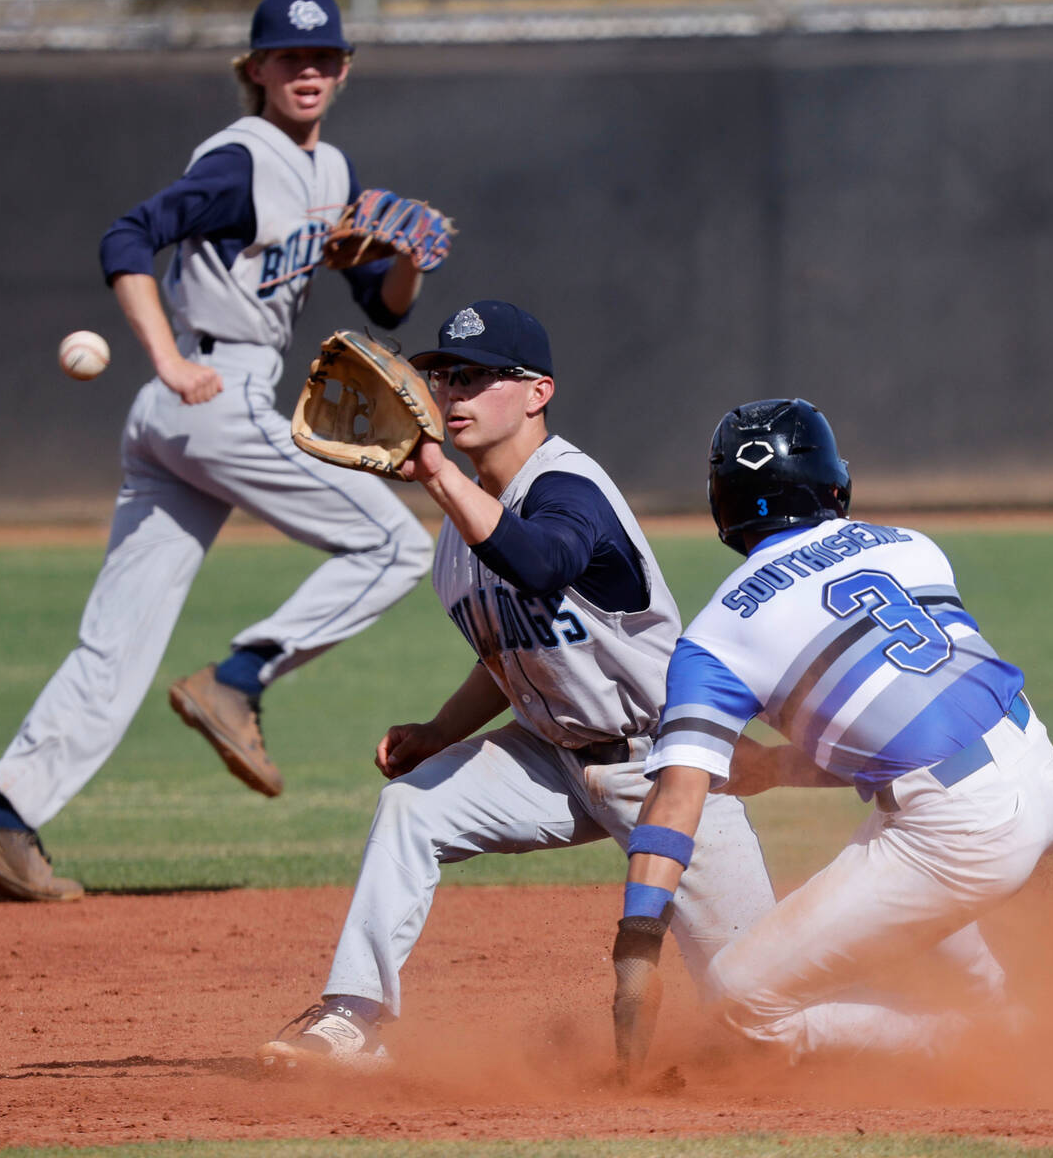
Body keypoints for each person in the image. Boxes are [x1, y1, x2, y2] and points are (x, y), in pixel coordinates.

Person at [0, 0, 437, 904]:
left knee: (117, 642)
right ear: (255, 69)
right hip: (219, 393)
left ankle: (5, 818)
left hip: (184, 419)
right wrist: (171, 358)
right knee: (395, 543)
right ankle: (239, 678)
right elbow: (128, 236)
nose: (307, 71)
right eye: (288, 58)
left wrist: (405, 256)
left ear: (343, 71)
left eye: (323, 58)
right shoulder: (243, 160)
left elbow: (378, 300)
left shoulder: (328, 172)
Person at [255, 300, 776, 1074]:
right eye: (445, 376)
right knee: (410, 806)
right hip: (552, 760)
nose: (454, 394)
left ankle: (935, 1032)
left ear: (538, 392)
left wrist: (432, 471)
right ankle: (350, 1020)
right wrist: (440, 732)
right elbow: (511, 653)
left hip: (666, 767)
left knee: (764, 1010)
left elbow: (539, 563)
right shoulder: (456, 539)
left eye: (480, 377)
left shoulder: (572, 490)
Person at [614, 397, 1053, 1062]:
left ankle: (986, 1044)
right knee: (897, 836)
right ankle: (993, 1004)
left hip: (957, 833)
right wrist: (773, 769)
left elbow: (677, 800)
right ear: (833, 483)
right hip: (1037, 770)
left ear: (723, 502)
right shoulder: (911, 546)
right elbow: (913, 725)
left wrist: (638, 945)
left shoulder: (713, 638)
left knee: (741, 1005)